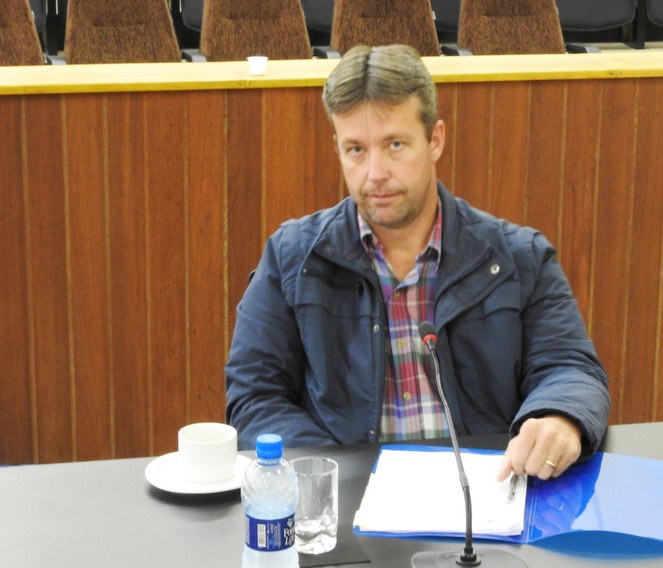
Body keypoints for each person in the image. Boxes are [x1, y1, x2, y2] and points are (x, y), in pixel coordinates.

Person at [225, 44, 610, 482]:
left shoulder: (519, 257)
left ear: (435, 140)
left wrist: (560, 416)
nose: (375, 172)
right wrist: (337, 475)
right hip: (351, 497)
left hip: (487, 491)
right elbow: (254, 396)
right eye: (356, 150)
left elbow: (570, 368)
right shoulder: (293, 257)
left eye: (395, 145)